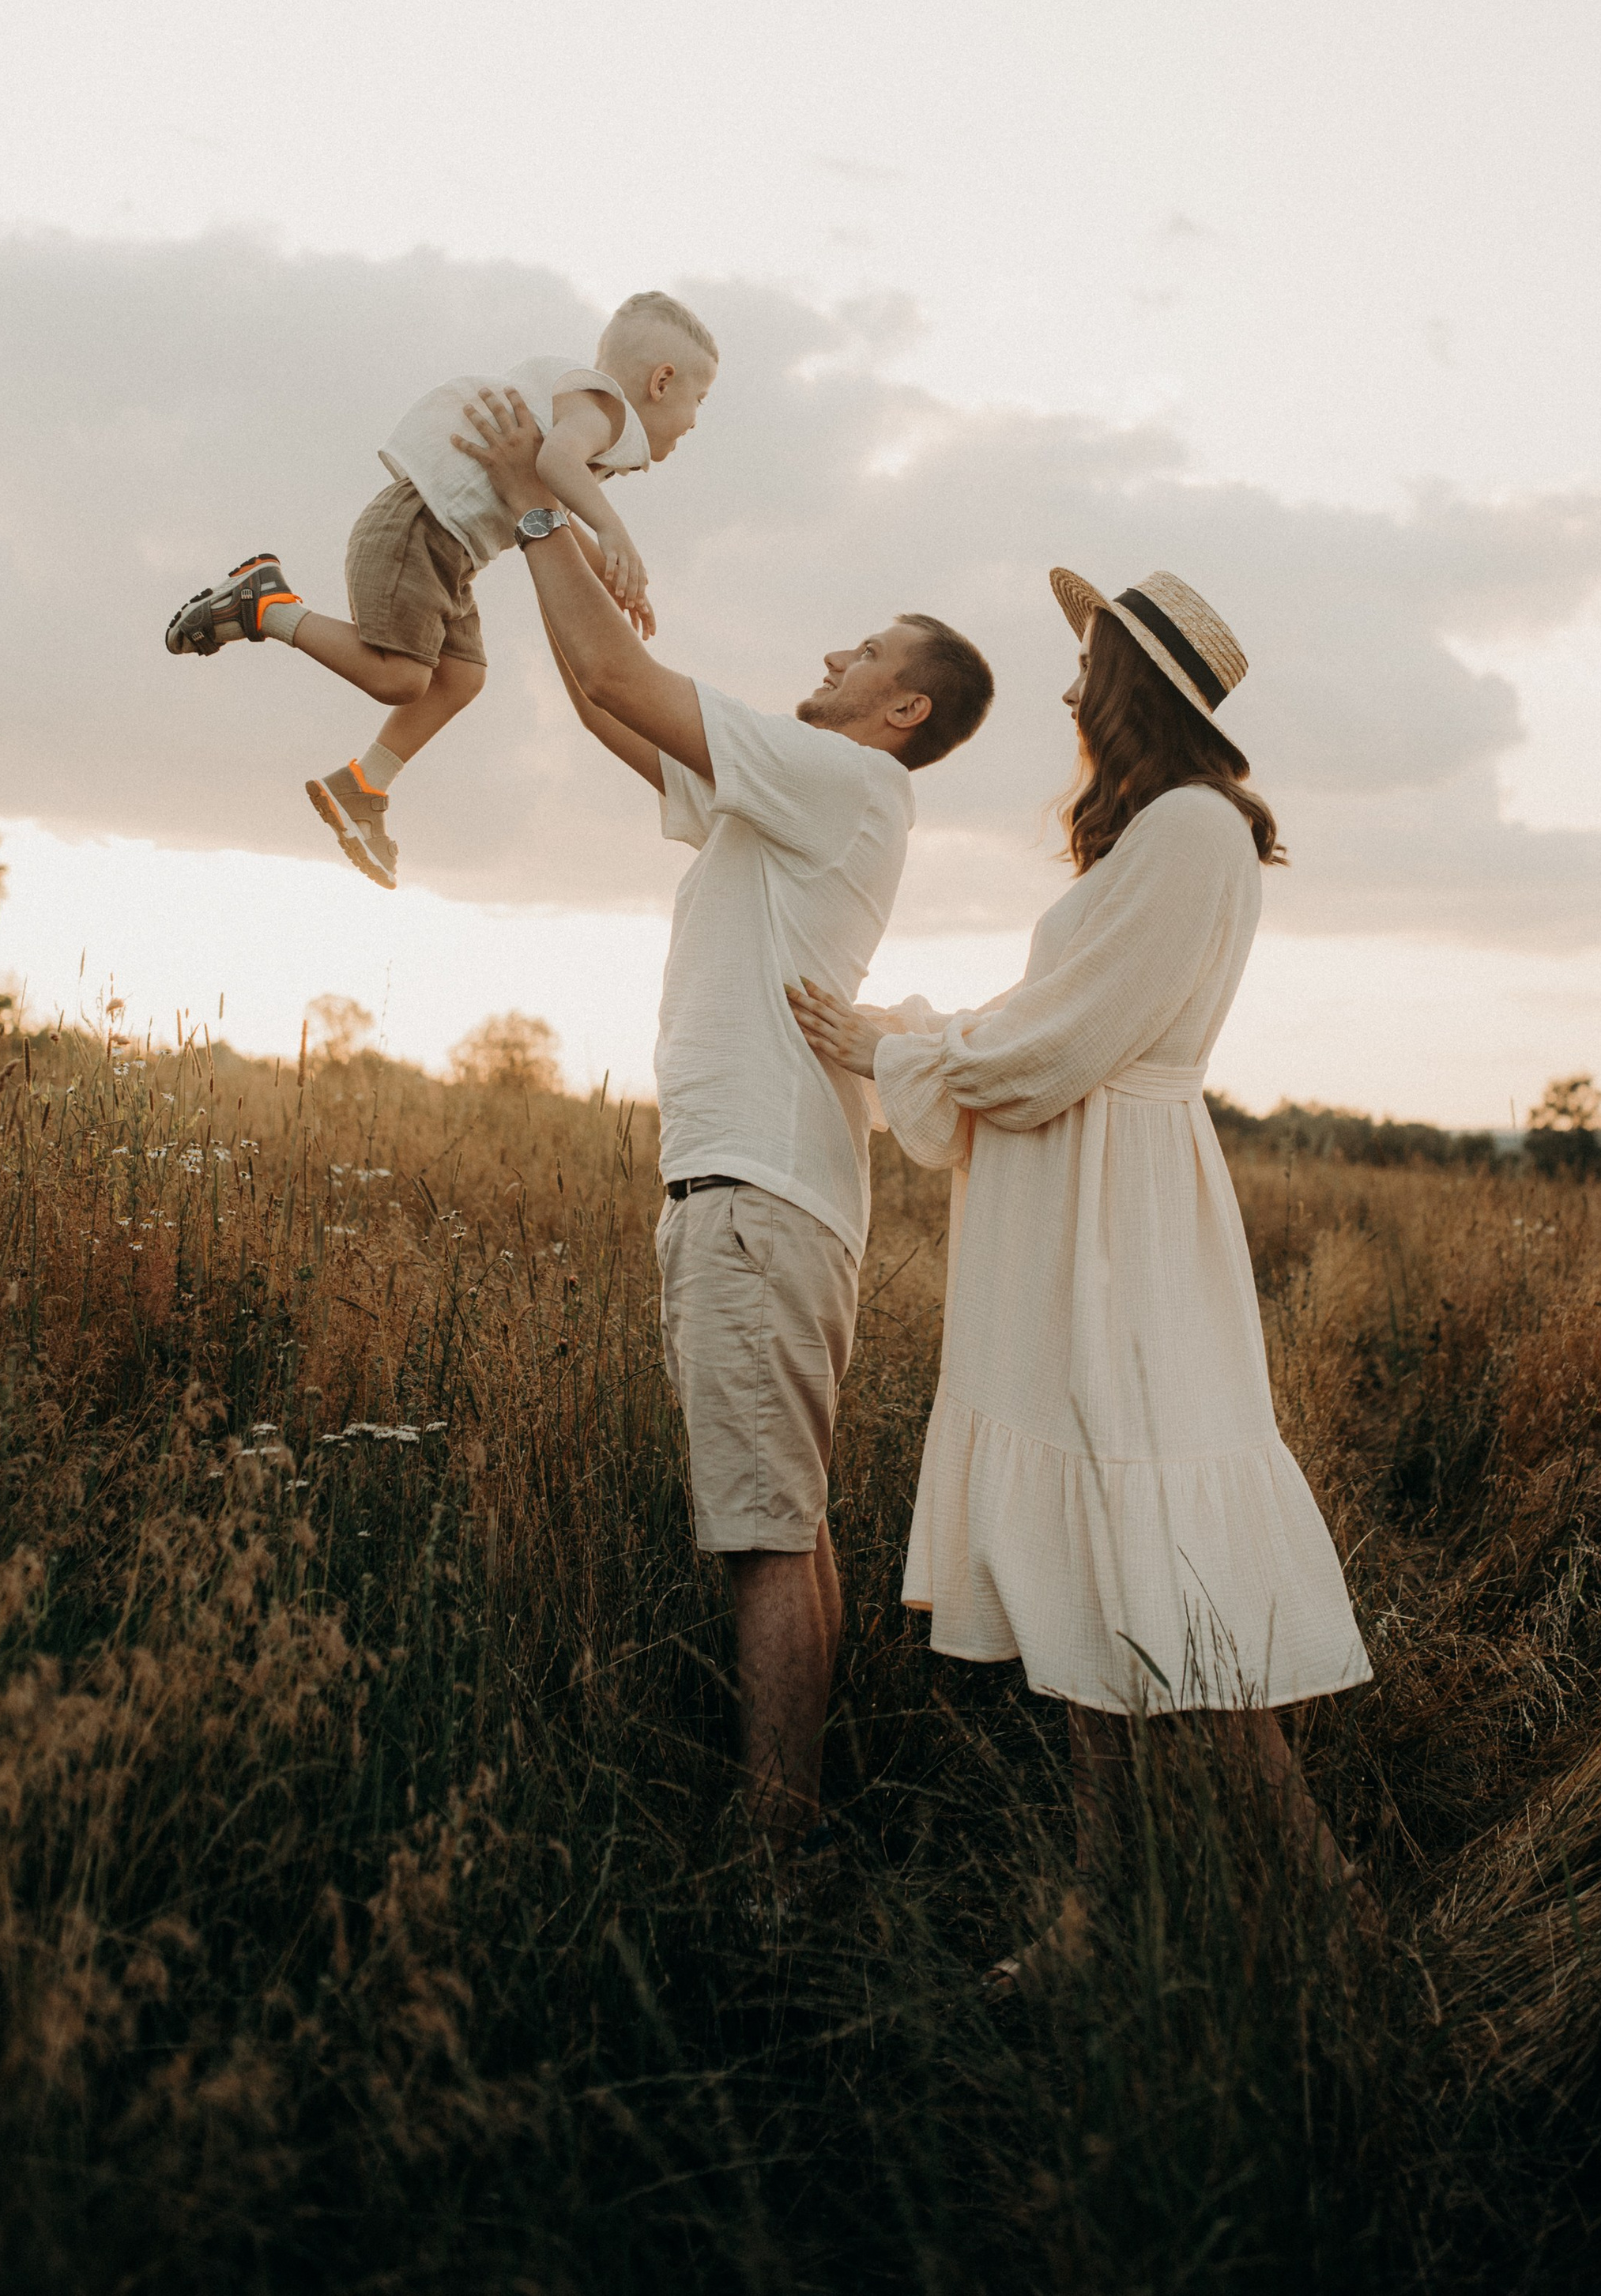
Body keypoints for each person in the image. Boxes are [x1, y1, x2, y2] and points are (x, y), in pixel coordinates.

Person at [788, 567, 1372, 1976]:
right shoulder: (1164, 835)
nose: (1063, 692)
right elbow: (1046, 1019)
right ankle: (1103, 1910)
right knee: (1094, 1574)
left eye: (1084, 666)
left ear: (1132, 686)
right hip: (1076, 1210)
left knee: (1169, 1563)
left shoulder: (1190, 831)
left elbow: (1067, 1045)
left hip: (1120, 1224)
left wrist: (892, 1052)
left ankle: (1334, 1929)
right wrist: (916, 1027)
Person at [450, 383, 996, 1864]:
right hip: (771, 1194)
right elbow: (596, 690)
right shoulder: (788, 803)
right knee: (791, 1524)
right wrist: (544, 531)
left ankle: (768, 1871)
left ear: (905, 709)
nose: (834, 653)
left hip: (756, 1196)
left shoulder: (845, 778)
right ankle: (791, 1836)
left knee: (764, 1537)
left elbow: (623, 679)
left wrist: (534, 498)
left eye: (866, 651)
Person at [160, 291, 718, 889]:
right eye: (699, 400)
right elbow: (555, 465)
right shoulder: (608, 413)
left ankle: (363, 784)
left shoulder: (586, 407)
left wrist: (609, 574)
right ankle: (266, 604)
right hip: (419, 531)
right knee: (399, 677)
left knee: (463, 676)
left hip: (445, 551)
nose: (694, 421)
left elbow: (544, 499)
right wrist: (613, 530)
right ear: (662, 381)